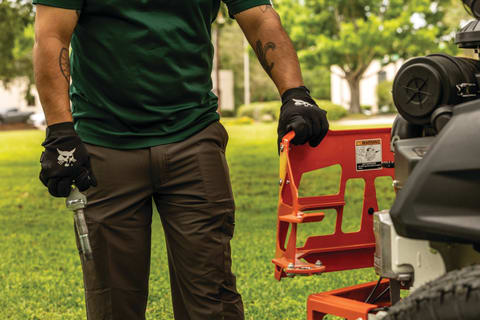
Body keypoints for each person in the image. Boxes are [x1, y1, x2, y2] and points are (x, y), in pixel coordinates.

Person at [33, 0, 329, 319]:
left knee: (212, 297)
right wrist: (61, 130)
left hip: (193, 136)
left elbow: (260, 19)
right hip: (106, 142)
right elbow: (51, 36)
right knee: (113, 301)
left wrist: (294, 93)